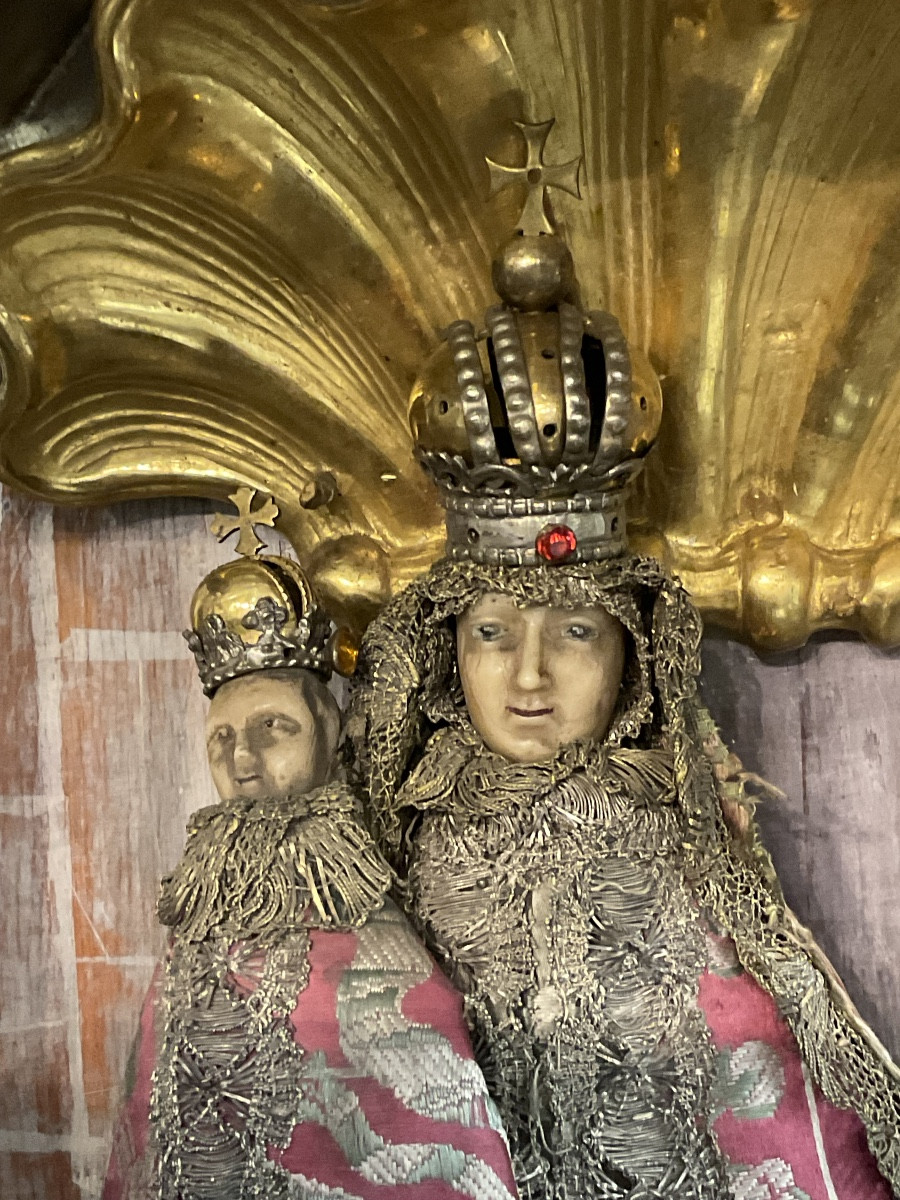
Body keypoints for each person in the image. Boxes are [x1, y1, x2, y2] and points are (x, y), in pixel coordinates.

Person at [345, 208, 900, 1199]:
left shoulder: (691, 859)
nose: (526, 678)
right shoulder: (386, 854)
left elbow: (775, 1114)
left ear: (636, 654)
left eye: (573, 633)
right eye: (490, 633)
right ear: (441, 650)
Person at [102, 519, 518, 1200]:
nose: (242, 762)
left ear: (327, 731)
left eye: (273, 729)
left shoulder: (378, 891)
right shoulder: (197, 921)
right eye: (223, 740)